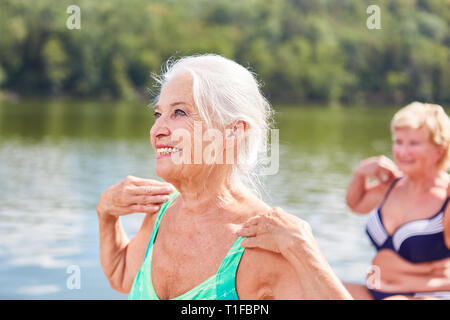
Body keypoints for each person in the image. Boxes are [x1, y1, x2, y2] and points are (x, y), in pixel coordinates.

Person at [96, 54, 351, 300]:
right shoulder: (161, 210)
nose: (156, 130)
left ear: (232, 132)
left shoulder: (264, 241)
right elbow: (121, 275)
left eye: (180, 113)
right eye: (158, 114)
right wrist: (106, 214)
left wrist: (304, 251)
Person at [344, 102, 450, 300]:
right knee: (311, 286)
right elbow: (356, 204)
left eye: (413, 143)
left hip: (428, 296)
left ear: (440, 151)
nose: (402, 152)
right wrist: (360, 173)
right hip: (377, 291)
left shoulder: (446, 197)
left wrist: (407, 282)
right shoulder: (392, 184)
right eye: (398, 141)